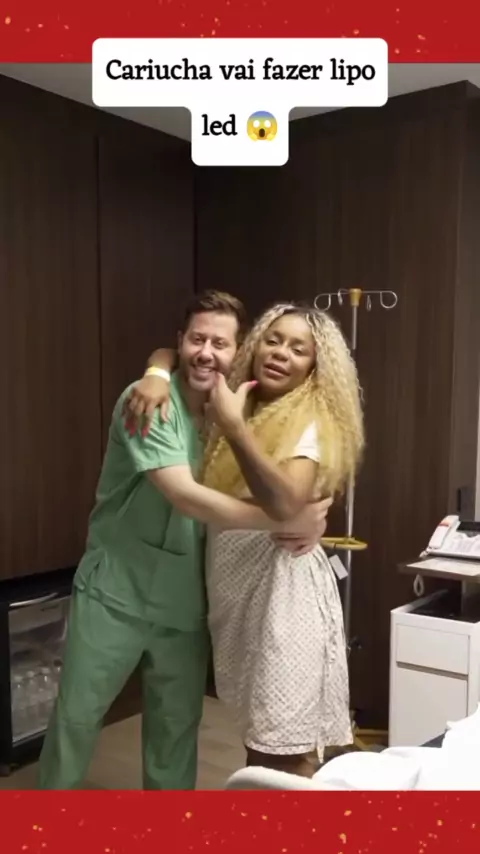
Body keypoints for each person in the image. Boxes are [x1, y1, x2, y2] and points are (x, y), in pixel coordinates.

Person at [37, 291, 329, 791]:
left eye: (220, 343)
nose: (206, 352)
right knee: (77, 720)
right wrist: (284, 520)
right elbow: (184, 495)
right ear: (181, 341)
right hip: (116, 595)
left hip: (187, 607)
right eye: (197, 339)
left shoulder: (235, 414)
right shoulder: (147, 400)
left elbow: (289, 474)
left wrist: (314, 514)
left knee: (175, 734)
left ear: (239, 351)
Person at [125, 302, 364, 777]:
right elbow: (187, 351)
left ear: (315, 366)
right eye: (273, 340)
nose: (281, 353)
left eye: (298, 349)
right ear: (254, 347)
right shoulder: (243, 401)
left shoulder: (306, 419)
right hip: (242, 600)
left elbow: (286, 501)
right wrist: (156, 370)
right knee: (263, 739)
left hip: (285, 600)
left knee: (279, 748)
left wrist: (234, 428)